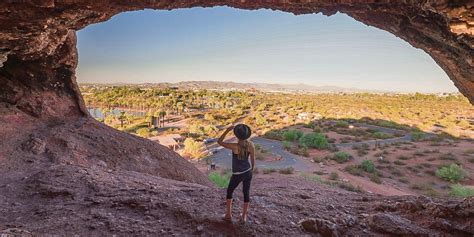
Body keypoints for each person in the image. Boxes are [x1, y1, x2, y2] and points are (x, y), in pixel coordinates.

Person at [217, 124, 255, 223]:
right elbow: (253, 159)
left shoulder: (234, 146)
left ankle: (228, 215)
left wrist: (226, 130)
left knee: (229, 192)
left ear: (237, 136)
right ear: (247, 135)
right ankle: (244, 216)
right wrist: (252, 170)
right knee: (246, 193)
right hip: (247, 172)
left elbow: (219, 142)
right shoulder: (251, 145)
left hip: (237, 174)